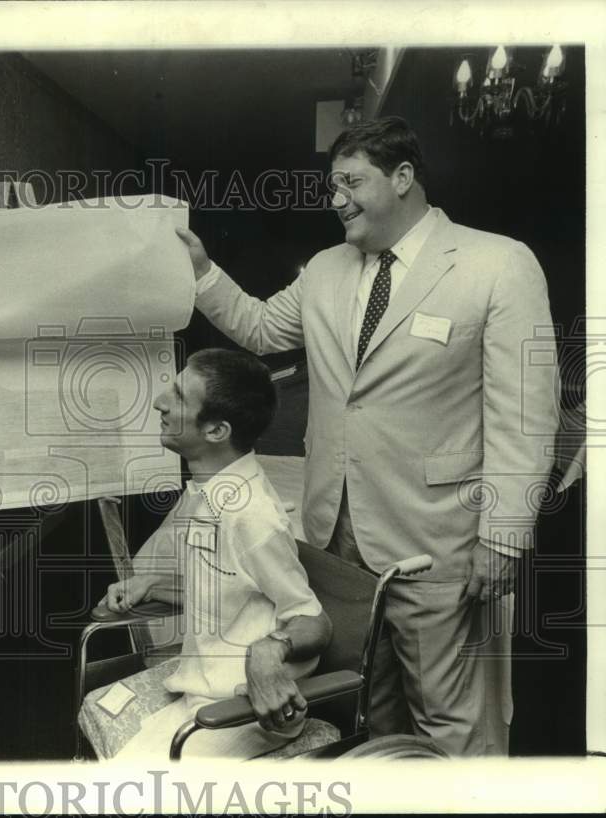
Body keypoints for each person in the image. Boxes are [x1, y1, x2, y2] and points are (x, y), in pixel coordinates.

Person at [176, 116, 559, 756]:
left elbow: (525, 414)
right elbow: (264, 329)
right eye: (333, 185)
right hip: (339, 546)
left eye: (351, 182)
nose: (336, 199)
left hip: (442, 543)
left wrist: (505, 537)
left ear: (403, 177)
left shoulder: (498, 264)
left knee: (454, 726)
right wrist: (202, 270)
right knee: (369, 714)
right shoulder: (326, 269)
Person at [97, 348, 332, 758]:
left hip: (241, 706)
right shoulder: (208, 492)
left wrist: (268, 650)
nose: (160, 402)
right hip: (200, 690)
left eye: (180, 397)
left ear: (217, 432)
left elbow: (313, 620)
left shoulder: (250, 513)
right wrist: (152, 583)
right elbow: (225, 588)